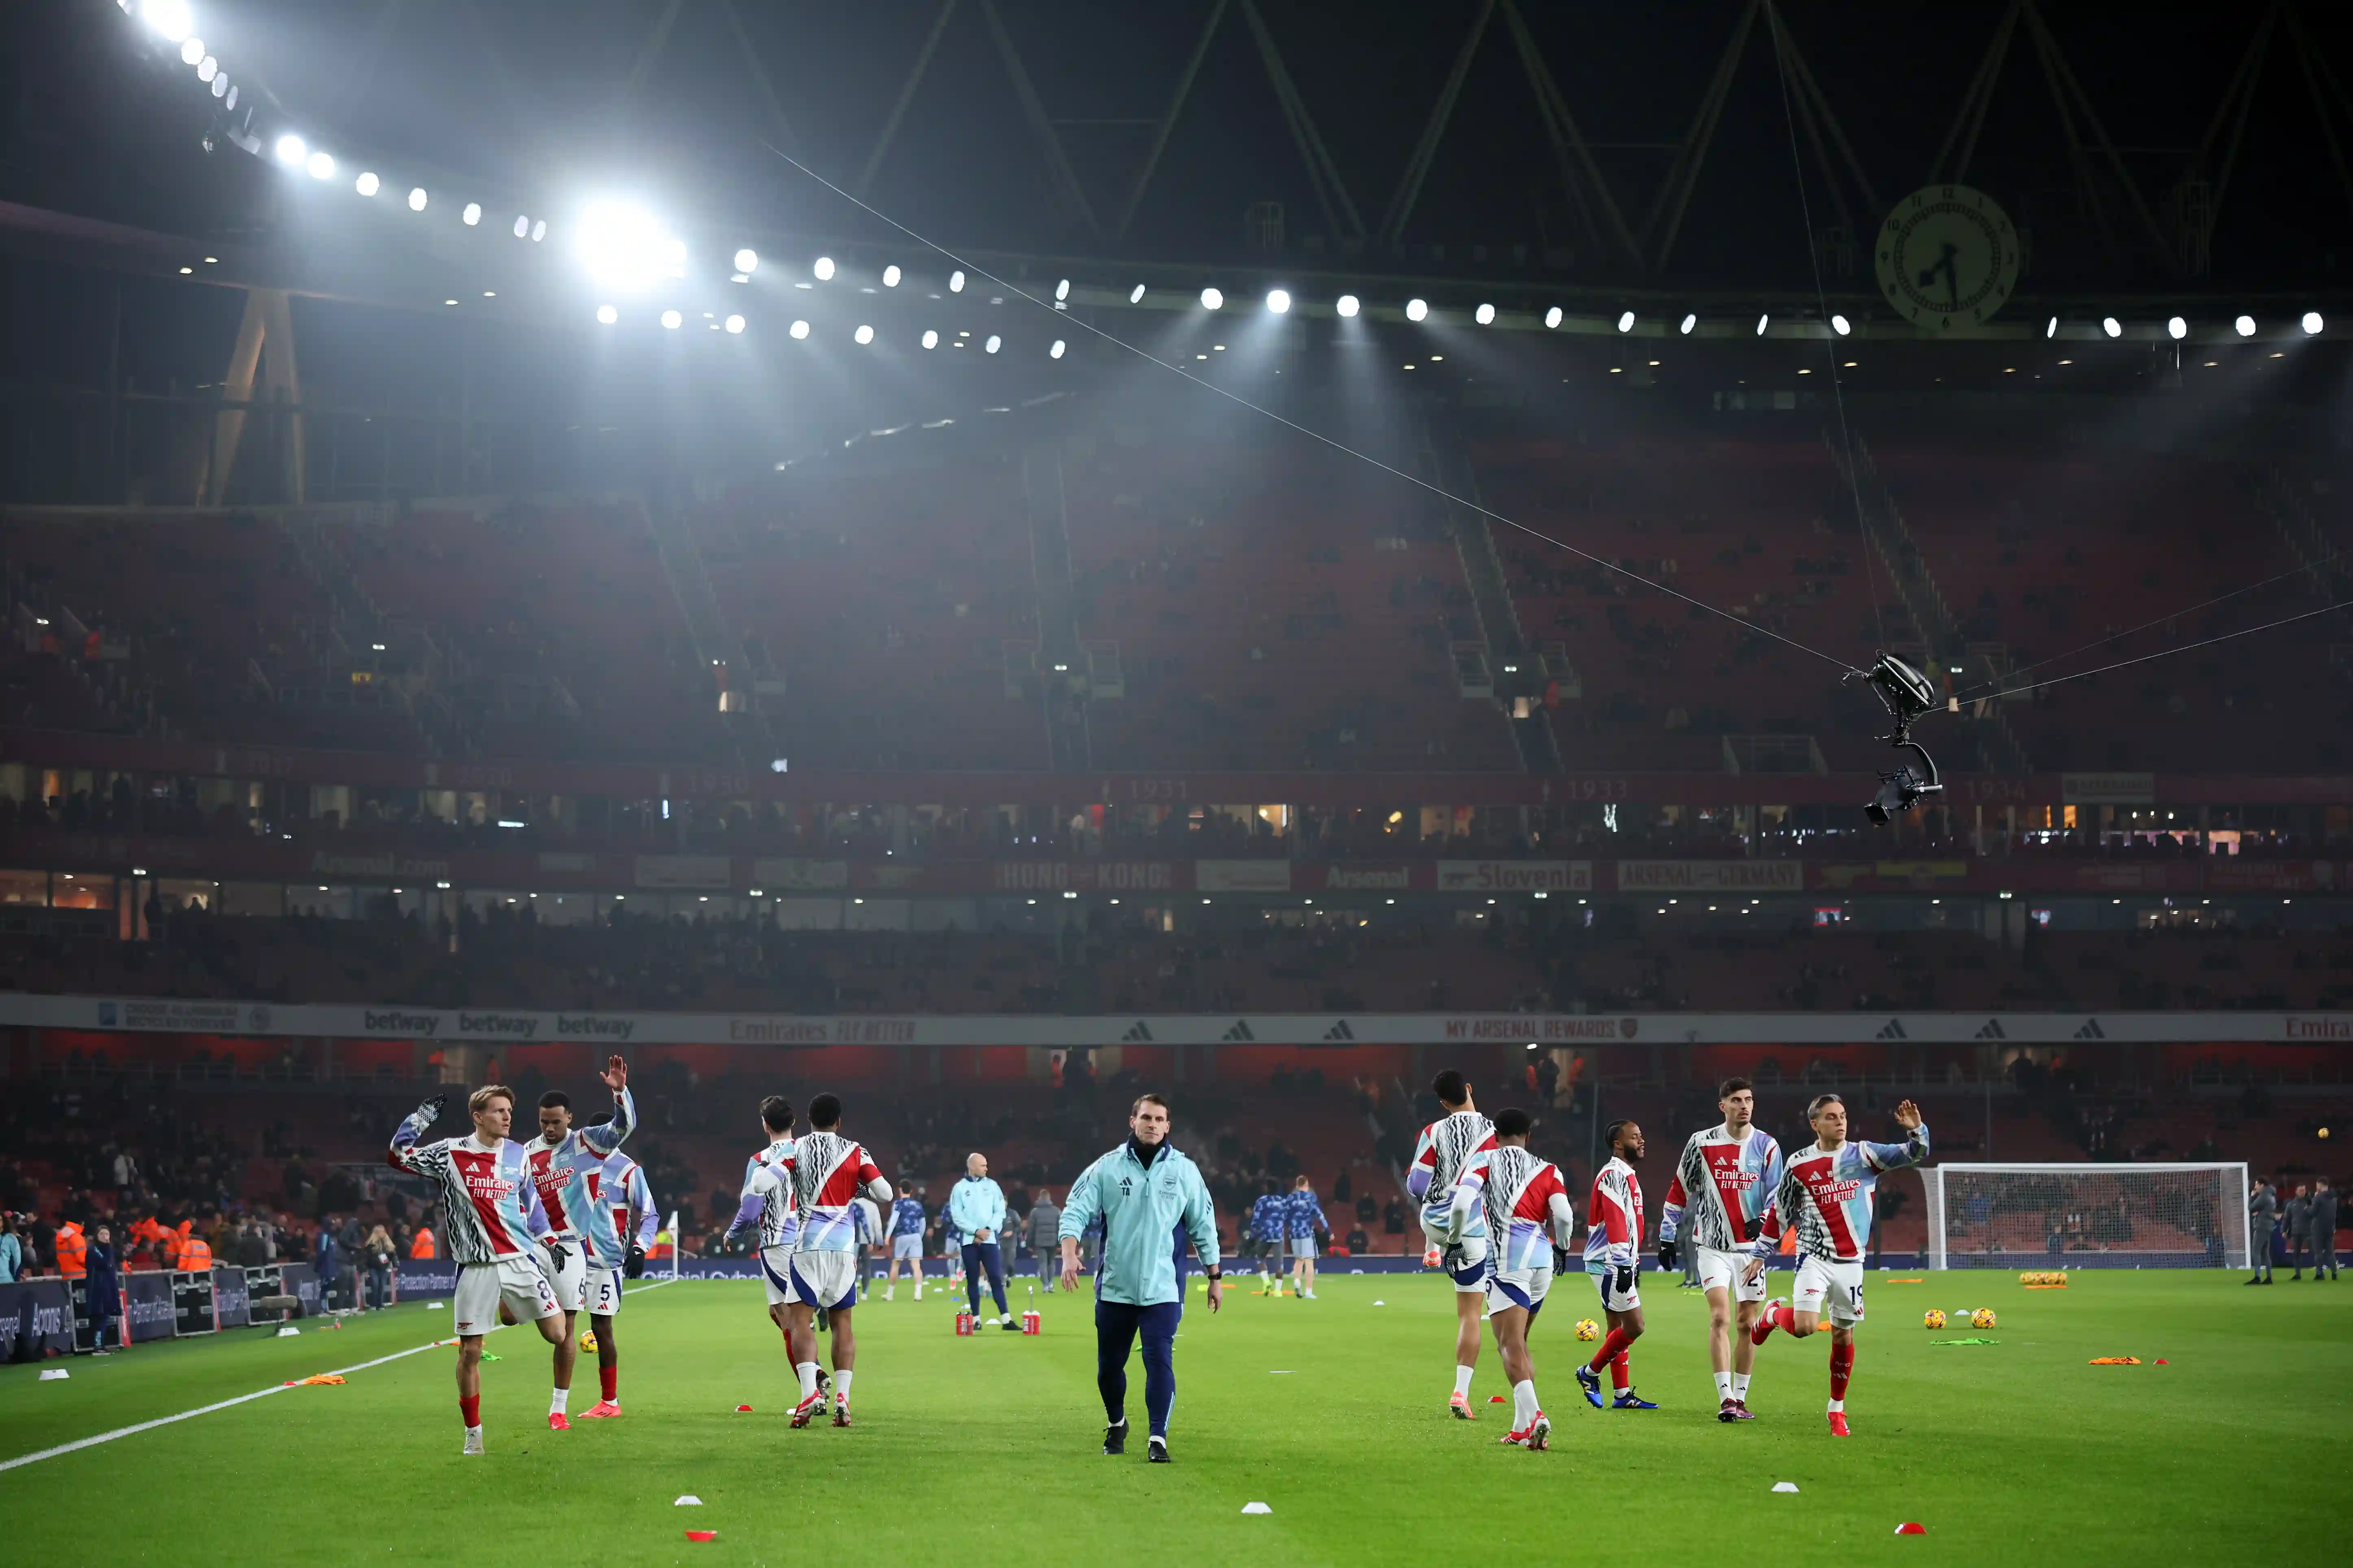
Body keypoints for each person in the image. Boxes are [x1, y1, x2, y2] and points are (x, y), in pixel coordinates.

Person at [388, 1084, 573, 1455]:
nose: (507, 1117)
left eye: (509, 1111)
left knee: (557, 1333)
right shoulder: (451, 1153)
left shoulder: (519, 1155)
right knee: (470, 1352)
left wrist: (551, 1242)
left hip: (520, 1259)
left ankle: (509, 1305)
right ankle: (473, 1434)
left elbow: (532, 1204)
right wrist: (419, 1120)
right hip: (477, 1267)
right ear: (478, 1117)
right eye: (499, 1111)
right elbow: (399, 1156)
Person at [1744, 1096, 1930, 1437]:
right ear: (1815, 1124)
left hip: (1851, 1262)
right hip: (1813, 1257)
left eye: (1843, 1116)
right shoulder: (1800, 1163)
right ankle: (1772, 1316)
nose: (1840, 1122)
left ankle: (1836, 1410)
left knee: (1843, 1334)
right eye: (1832, 1117)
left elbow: (1915, 1154)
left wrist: (1916, 1130)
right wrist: (1761, 1253)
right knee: (1804, 1327)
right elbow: (1781, 1212)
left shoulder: (1864, 1154)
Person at [1058, 1092, 1221, 1464]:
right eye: (1145, 1118)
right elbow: (1075, 1210)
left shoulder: (1184, 1171)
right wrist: (1069, 1253)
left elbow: (1203, 1226)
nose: (1152, 1124)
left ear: (1168, 1126)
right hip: (1115, 1288)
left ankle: (1158, 1437)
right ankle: (1117, 1423)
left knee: (1159, 1360)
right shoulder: (1108, 1167)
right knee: (1109, 1368)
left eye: (1159, 1119)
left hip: (1163, 1289)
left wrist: (1215, 1276)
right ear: (1132, 1121)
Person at [1658, 1076, 1785, 1421]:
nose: (1744, 1106)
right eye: (1737, 1100)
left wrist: (1764, 1221)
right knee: (1720, 1317)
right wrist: (1667, 1235)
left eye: (1749, 1100)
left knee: (1746, 1324)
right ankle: (1726, 1398)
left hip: (1752, 1252)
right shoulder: (1702, 1142)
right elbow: (1679, 1188)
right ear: (1723, 1106)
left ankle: (1741, 1399)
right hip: (1711, 1246)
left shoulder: (1767, 1147)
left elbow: (1779, 1196)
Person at [518, 1062, 636, 1429]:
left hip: (569, 1248)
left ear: (570, 1118)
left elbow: (625, 1125)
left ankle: (558, 1410)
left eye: (556, 1121)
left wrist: (619, 1092)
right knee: (508, 1315)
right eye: (543, 1122)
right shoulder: (525, 1153)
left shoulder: (589, 1143)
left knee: (566, 1330)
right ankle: (534, 1304)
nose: (550, 1128)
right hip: (534, 1244)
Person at [780, 1094, 892, 1427]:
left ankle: (807, 1395)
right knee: (843, 1323)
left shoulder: (796, 1148)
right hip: (844, 1246)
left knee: (800, 1321)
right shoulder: (857, 1151)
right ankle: (843, 1397)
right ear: (839, 1122)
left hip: (807, 1246)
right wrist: (858, 1186)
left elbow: (763, 1183)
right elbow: (885, 1194)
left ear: (809, 1120)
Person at [1480, 1108, 1575, 1450]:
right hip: (1543, 1259)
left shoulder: (1486, 1161)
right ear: (1528, 1136)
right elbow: (1564, 1216)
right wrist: (1562, 1248)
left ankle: (1536, 1416)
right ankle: (1522, 1428)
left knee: (1509, 1344)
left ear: (1495, 1135)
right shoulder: (1549, 1170)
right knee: (1519, 1341)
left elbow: (1463, 1204)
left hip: (1508, 1260)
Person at [1406, 1069, 1498, 1419]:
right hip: (1472, 1231)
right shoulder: (1494, 1132)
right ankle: (1461, 1392)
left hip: (1433, 1219)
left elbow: (1416, 1184)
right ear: (1470, 1089)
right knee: (1472, 1315)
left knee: (1433, 1211)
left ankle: (1432, 1247)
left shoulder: (1433, 1131)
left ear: (1444, 1103)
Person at [724, 1097, 823, 1412]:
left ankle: (813, 1388)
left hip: (778, 1243)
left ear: (765, 1125)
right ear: (794, 1123)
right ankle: (815, 1383)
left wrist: (733, 1232)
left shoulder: (761, 1159)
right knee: (785, 1315)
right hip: (813, 1240)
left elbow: (752, 1207)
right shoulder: (809, 1153)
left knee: (791, 1321)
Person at [1576, 1118, 1655, 1412]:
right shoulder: (1612, 1175)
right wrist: (1624, 1264)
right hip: (1609, 1262)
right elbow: (1615, 1220)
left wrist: (1633, 1261)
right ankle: (1589, 1373)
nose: (1641, 1140)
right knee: (1635, 1326)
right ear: (1618, 1144)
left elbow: (1631, 1223)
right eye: (1635, 1137)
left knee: (1615, 1326)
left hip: (1619, 1261)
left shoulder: (1627, 1175)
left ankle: (1621, 1394)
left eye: (1641, 1135)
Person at [579, 1137, 659, 1417]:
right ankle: (558, 1405)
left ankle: (609, 1402)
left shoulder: (627, 1170)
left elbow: (650, 1214)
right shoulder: (576, 1161)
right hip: (570, 1256)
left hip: (605, 1261)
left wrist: (640, 1247)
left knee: (602, 1329)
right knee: (561, 1327)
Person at [950, 1152, 1016, 1329]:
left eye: (986, 1165)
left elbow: (1000, 1212)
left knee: (995, 1276)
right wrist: (975, 1232)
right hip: (969, 1242)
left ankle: (1006, 1320)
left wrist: (986, 1231)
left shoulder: (993, 1186)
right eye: (983, 1165)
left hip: (989, 1240)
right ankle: (976, 1320)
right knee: (972, 1279)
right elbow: (957, 1215)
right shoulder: (959, 1188)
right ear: (972, 1166)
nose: (986, 1168)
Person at [1284, 1173, 1329, 1300]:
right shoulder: (1311, 1198)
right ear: (1306, 1185)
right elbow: (1319, 1215)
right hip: (1306, 1232)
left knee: (1298, 1260)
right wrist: (1328, 1231)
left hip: (1294, 1233)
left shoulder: (1290, 1198)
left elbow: (1285, 1216)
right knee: (1309, 1262)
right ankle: (1309, 1292)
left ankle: (1297, 1282)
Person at [884, 1181, 926, 1301]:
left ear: (900, 1190)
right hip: (916, 1236)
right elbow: (923, 1223)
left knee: (896, 1264)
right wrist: (920, 1236)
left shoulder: (898, 1204)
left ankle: (890, 1294)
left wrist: (887, 1236)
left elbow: (893, 1220)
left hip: (902, 1236)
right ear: (911, 1191)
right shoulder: (918, 1205)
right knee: (916, 1266)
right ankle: (918, 1294)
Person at [85, 1223, 120, 1355]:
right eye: (102, 1234)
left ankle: (101, 1344)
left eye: (107, 1234)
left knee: (105, 1316)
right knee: (99, 1316)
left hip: (108, 1286)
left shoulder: (107, 1249)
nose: (105, 1237)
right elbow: (106, 1263)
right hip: (97, 1288)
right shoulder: (94, 1250)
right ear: (96, 1236)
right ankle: (98, 1346)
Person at [1246, 1179, 1285, 1291]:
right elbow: (1285, 1217)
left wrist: (1253, 1235)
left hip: (1265, 1235)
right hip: (1278, 1236)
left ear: (1268, 1188)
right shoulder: (1282, 1202)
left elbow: (1256, 1219)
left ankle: (1267, 1281)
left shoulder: (1262, 1201)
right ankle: (1278, 1291)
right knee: (1279, 1265)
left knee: (1260, 1258)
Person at [1026, 1187, 1062, 1291]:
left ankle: (1045, 1286)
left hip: (1040, 1243)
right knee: (1052, 1262)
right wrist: (1060, 1243)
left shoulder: (1035, 1212)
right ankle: (1051, 1284)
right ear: (1049, 1198)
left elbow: (1031, 1229)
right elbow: (1061, 1227)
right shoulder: (1057, 1211)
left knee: (1043, 1263)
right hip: (1053, 1242)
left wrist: (1030, 1244)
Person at [2247, 1177, 2277, 1285]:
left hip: (2262, 1226)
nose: (2256, 1188)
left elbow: (2251, 1208)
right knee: (2265, 1253)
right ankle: (2269, 1277)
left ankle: (2257, 1277)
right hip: (2269, 1226)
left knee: (2256, 1251)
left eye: (2257, 1185)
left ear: (2262, 1185)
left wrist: (2251, 1197)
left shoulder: (2263, 1196)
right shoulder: (2272, 1196)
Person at [2308, 1177, 2338, 1281]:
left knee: (2318, 1252)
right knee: (2330, 1252)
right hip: (2330, 1228)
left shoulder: (2318, 1198)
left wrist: (2309, 1207)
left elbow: (2313, 1212)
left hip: (2318, 1228)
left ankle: (2320, 1274)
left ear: (2320, 1185)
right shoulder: (2334, 1198)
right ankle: (2334, 1273)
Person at [361, 1223, 396, 1310]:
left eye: (383, 1231)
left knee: (382, 1286)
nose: (382, 1233)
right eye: (380, 1232)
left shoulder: (388, 1244)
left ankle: (380, 1305)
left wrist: (395, 1265)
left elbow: (393, 1255)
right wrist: (365, 1269)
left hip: (384, 1268)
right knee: (375, 1284)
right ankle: (373, 1304)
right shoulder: (370, 1245)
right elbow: (365, 1257)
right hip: (373, 1267)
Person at [2284, 1183, 2311, 1281]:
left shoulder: (2310, 1202)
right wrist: (2284, 1231)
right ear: (2296, 1191)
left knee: (2314, 1251)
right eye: (2300, 1190)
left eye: (2304, 1190)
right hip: (2296, 1232)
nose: (2302, 1192)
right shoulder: (2291, 1204)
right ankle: (2298, 1274)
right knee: (2296, 1254)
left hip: (2308, 1232)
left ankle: (2320, 1273)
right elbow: (2287, 1218)